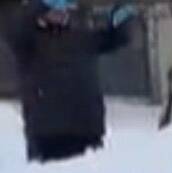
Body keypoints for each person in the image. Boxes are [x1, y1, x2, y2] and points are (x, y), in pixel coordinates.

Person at [3, 0, 136, 163]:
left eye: (63, 9)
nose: (60, 12)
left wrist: (122, 15)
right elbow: (15, 27)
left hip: (87, 129)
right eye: (54, 9)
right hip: (48, 134)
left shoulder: (82, 37)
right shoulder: (28, 41)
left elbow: (117, 38)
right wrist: (41, 5)